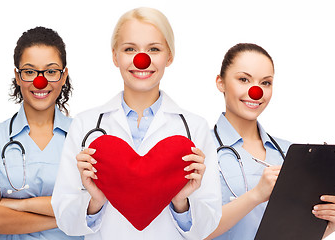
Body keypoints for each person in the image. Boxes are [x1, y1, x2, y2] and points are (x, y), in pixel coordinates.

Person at [51, 7, 221, 240]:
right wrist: (95, 200)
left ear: (169, 56)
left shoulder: (195, 128)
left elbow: (207, 226)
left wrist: (181, 201)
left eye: (154, 49)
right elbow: (66, 220)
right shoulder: (85, 125)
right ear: (115, 56)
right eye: (130, 49)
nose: (142, 60)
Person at [206, 43, 335, 239]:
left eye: (265, 83)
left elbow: (293, 231)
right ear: (220, 82)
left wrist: (328, 224)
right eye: (244, 79)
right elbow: (193, 232)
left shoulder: (290, 152)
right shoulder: (201, 148)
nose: (256, 91)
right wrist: (256, 195)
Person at [0, 26, 81, 240]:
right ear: (17, 77)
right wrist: (67, 218)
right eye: (30, 71)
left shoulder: (84, 137)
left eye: (51, 71)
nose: (40, 81)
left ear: (64, 76)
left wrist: (20, 205)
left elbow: (92, 206)